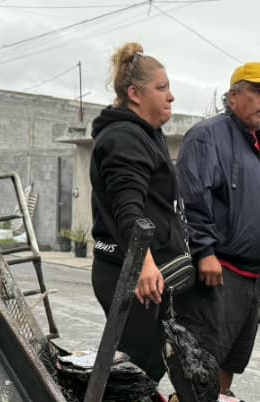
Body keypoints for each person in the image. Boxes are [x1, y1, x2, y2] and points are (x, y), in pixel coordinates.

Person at [176, 63, 260, 394]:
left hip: (252, 276)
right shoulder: (208, 135)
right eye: (258, 92)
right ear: (233, 96)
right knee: (203, 362)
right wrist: (204, 251)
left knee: (230, 362)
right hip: (221, 270)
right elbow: (193, 195)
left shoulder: (259, 147)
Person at [89, 42, 184, 383]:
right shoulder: (125, 139)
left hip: (145, 270)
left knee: (149, 367)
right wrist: (143, 263)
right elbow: (129, 211)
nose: (171, 96)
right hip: (127, 271)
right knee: (133, 373)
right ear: (134, 94)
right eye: (161, 88)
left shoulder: (148, 134)